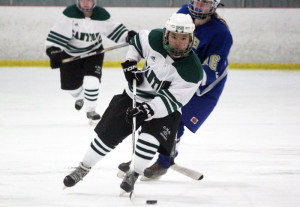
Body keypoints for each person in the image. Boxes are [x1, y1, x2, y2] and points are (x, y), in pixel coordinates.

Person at [62, 13, 203, 193]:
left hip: (165, 109)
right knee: (107, 136)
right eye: (174, 37)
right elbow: (136, 42)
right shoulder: (153, 38)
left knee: (149, 141)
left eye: (183, 38)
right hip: (133, 96)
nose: (177, 42)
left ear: (191, 39)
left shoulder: (193, 72)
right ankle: (83, 168)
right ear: (167, 35)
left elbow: (172, 100)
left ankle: (134, 173)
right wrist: (130, 63)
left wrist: (148, 109)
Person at [118, 0, 233, 180]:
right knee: (151, 113)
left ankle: (164, 162)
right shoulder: (183, 13)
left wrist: (185, 77)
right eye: (196, 0)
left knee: (174, 121)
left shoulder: (221, 34)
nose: (198, 5)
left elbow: (212, 67)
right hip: (176, 76)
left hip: (203, 86)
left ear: (213, 6)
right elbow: (166, 37)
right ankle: (140, 157)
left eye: (204, 2)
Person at [45, 0, 136, 123]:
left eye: (89, 0)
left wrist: (127, 36)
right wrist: (53, 51)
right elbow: (57, 34)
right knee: (71, 88)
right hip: (71, 54)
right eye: (83, 0)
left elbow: (115, 30)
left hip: (93, 53)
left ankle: (91, 111)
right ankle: (80, 97)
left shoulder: (101, 14)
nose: (86, 3)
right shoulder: (69, 14)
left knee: (92, 82)